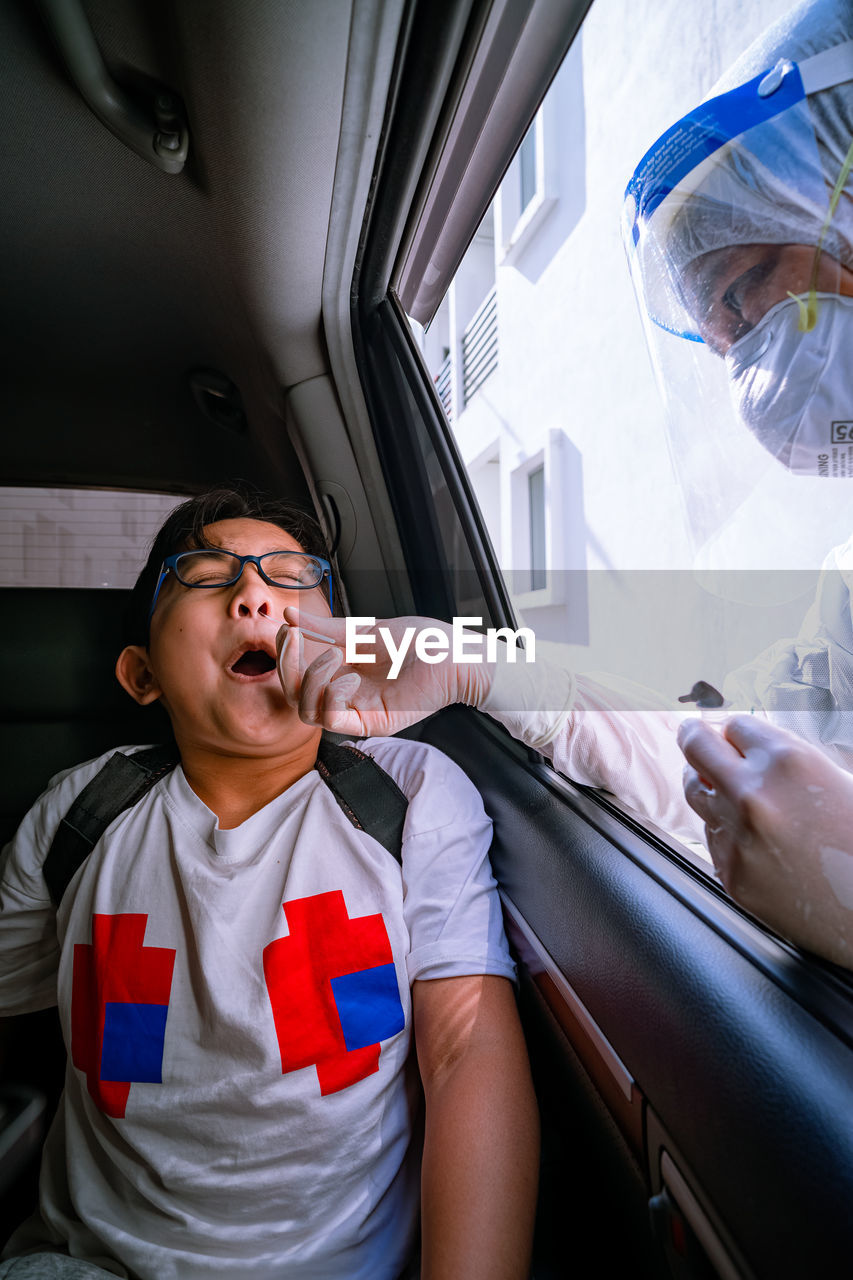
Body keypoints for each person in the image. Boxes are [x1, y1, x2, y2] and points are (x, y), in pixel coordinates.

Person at [0, 488, 539, 1280]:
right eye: (208, 577)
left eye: (291, 577)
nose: (254, 594)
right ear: (141, 674)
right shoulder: (79, 813)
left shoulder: (413, 794)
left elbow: (465, 1050)